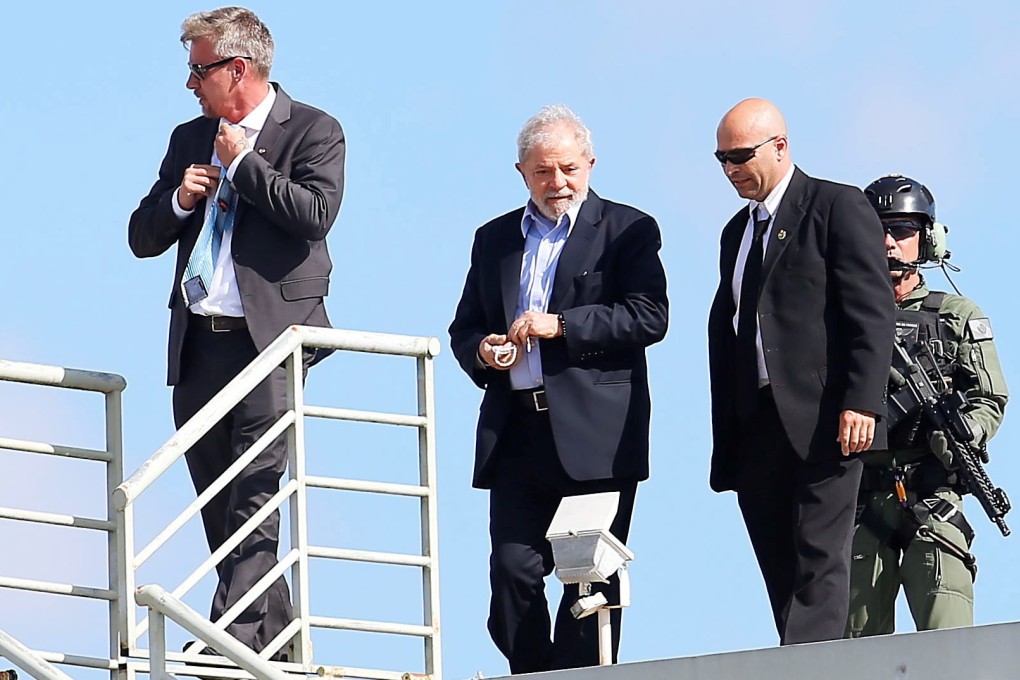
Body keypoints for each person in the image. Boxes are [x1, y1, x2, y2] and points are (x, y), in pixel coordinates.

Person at [128, 6, 345, 656]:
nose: (190, 85)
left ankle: (223, 640)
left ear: (237, 69)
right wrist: (180, 200)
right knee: (221, 511)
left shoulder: (313, 129)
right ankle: (276, 648)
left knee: (254, 497)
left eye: (198, 72)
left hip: (270, 346)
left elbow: (316, 214)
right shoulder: (188, 138)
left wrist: (247, 165)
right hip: (198, 347)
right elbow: (140, 237)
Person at [449, 104, 668, 673]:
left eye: (569, 168)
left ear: (590, 164)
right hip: (517, 430)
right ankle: (533, 672)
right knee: (511, 571)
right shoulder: (493, 238)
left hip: (598, 434)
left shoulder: (628, 229)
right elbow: (464, 327)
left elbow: (649, 317)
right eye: (544, 171)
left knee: (589, 579)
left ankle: (579, 675)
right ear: (521, 171)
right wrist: (485, 351)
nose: (559, 183)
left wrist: (561, 326)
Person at [707, 98, 895, 644]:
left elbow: (871, 310)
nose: (731, 169)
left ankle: (811, 669)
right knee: (778, 561)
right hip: (757, 421)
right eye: (721, 158)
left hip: (827, 417)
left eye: (741, 154)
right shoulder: (734, 234)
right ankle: (797, 659)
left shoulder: (836, 205)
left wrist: (862, 400)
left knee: (820, 556)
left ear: (780, 146)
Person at [845, 175, 1008, 637]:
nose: (889, 243)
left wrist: (964, 433)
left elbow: (989, 397)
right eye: (877, 230)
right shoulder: (835, 315)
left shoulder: (954, 315)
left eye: (901, 230)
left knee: (948, 640)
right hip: (858, 500)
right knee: (854, 652)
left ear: (928, 239)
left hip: (934, 496)